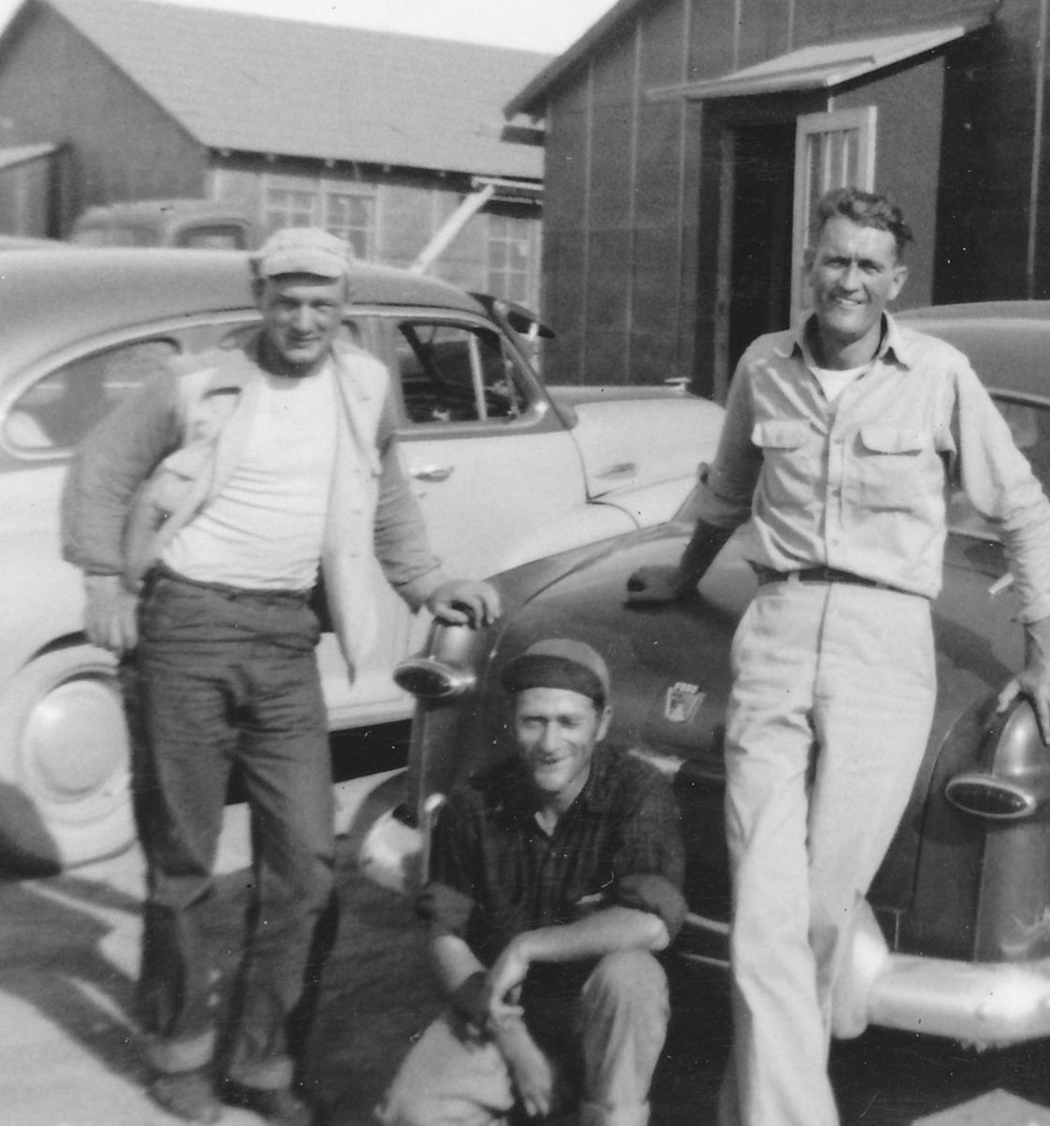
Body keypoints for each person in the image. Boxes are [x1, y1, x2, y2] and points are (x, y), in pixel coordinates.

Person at [624, 186, 1050, 1126]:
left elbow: (1024, 509)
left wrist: (1047, 654)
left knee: (825, 908)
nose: (849, 280)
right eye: (835, 260)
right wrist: (683, 574)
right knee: (764, 910)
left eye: (870, 266)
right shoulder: (765, 365)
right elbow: (726, 488)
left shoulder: (941, 374)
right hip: (779, 626)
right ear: (809, 266)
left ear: (895, 282)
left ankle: (751, 1091)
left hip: (885, 644)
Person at [60, 227, 500, 1126]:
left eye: (321, 305)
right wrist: (105, 578)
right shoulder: (197, 384)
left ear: (344, 311)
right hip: (183, 626)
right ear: (259, 298)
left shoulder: (364, 388)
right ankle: (178, 1050)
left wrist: (429, 582)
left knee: (304, 863)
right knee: (183, 859)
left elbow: (387, 501)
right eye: (285, 301)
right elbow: (99, 472)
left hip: (285, 638)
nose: (303, 320)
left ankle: (263, 1061)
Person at [379, 638, 686, 1126]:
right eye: (533, 721)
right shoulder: (473, 801)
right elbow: (445, 936)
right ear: (511, 721)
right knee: (412, 1112)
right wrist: (516, 1046)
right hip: (502, 1006)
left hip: (595, 1006)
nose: (549, 744)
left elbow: (652, 923)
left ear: (602, 724)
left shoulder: (637, 789)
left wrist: (527, 947)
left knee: (632, 977)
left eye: (568, 722)